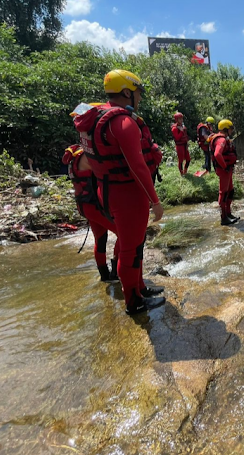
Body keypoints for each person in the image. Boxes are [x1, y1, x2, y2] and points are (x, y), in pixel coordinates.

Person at [73, 69, 165, 315]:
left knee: (134, 244)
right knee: (130, 248)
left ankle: (140, 287)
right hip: (127, 195)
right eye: (138, 93)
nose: (140, 98)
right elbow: (137, 167)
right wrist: (154, 201)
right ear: (127, 92)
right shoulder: (123, 123)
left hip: (107, 190)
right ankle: (133, 302)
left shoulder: (95, 117)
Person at [62, 144, 120, 281]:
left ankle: (104, 276)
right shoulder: (86, 157)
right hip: (93, 205)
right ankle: (115, 271)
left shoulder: (75, 156)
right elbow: (106, 171)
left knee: (100, 238)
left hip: (84, 205)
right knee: (123, 234)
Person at [209, 119, 239, 226]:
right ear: (226, 129)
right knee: (224, 192)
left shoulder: (223, 139)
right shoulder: (221, 140)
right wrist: (225, 166)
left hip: (227, 169)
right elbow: (217, 154)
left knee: (230, 190)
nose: (231, 131)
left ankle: (228, 213)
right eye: (230, 129)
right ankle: (224, 218)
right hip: (224, 169)